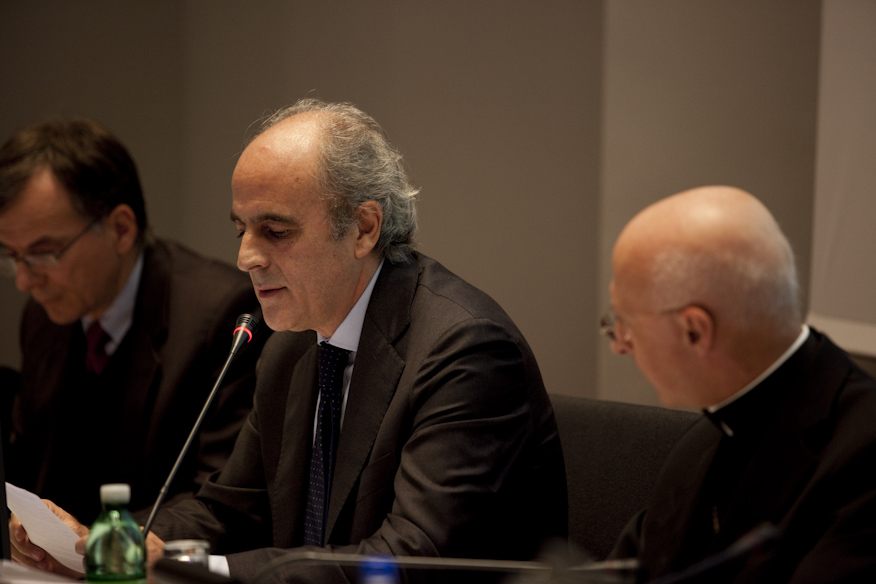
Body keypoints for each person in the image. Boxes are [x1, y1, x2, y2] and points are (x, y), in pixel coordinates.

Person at [11, 100, 567, 583]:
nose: (245, 257)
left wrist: (201, 572)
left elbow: (408, 559)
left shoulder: (464, 352)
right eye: (241, 229)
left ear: (364, 228)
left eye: (275, 231)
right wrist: (108, 545)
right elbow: (230, 510)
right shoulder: (291, 343)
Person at [0, 118, 268, 528]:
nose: (24, 281)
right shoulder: (44, 317)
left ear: (121, 229)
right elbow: (31, 471)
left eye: (44, 253)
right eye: (12, 256)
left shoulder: (221, 316)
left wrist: (104, 540)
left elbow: (220, 497)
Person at [603, 185, 876, 583]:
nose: (619, 345)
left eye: (625, 322)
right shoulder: (703, 440)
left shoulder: (864, 458)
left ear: (695, 331)